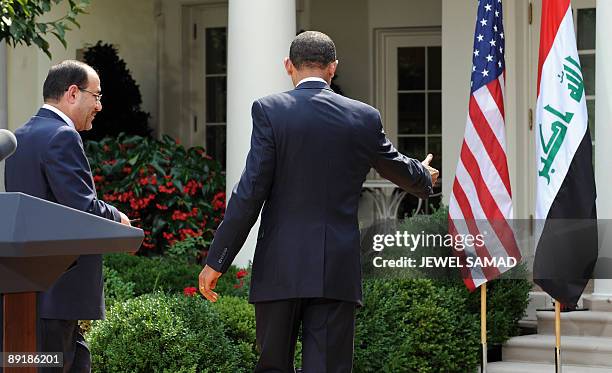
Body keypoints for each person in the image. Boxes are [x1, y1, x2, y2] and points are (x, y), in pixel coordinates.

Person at [199, 31, 438, 372]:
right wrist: (423, 175)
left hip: (280, 267)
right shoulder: (363, 116)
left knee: (273, 366)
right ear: (333, 68)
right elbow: (395, 165)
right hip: (335, 268)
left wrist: (217, 259)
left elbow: (249, 193)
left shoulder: (269, 111)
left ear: (288, 66)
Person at [4, 60, 130, 373]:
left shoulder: (21, 136)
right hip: (59, 293)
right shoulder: (63, 135)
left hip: (27, 293)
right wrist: (118, 218)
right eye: (96, 96)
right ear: (73, 93)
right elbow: (82, 207)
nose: (99, 106)